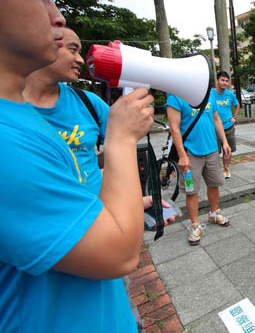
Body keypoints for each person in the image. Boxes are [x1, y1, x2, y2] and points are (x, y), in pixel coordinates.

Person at [0, 0, 155, 331]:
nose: (58, 16)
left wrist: (119, 199)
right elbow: (121, 253)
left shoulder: (21, 117)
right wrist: (121, 139)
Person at [23, 26, 179, 331]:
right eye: (72, 48)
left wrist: (130, 203)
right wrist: (121, 138)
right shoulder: (15, 122)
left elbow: (108, 160)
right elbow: (121, 256)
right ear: (45, 42)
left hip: (100, 224)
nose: (80, 59)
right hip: (73, 247)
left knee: (115, 297)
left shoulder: (86, 103)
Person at [167, 88, 232, 246]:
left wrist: (224, 141)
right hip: (190, 153)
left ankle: (214, 213)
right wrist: (182, 155)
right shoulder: (176, 96)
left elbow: (216, 118)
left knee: (215, 184)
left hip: (211, 150)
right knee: (192, 191)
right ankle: (195, 225)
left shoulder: (207, 93)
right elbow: (174, 128)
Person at [212, 71, 239, 179]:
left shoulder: (230, 94)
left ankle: (225, 169)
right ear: (217, 81)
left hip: (228, 127)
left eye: (227, 81)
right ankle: (215, 170)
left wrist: (234, 118)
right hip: (214, 128)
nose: (224, 83)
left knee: (228, 150)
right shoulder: (210, 93)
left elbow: (237, 105)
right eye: (222, 80)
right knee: (215, 151)